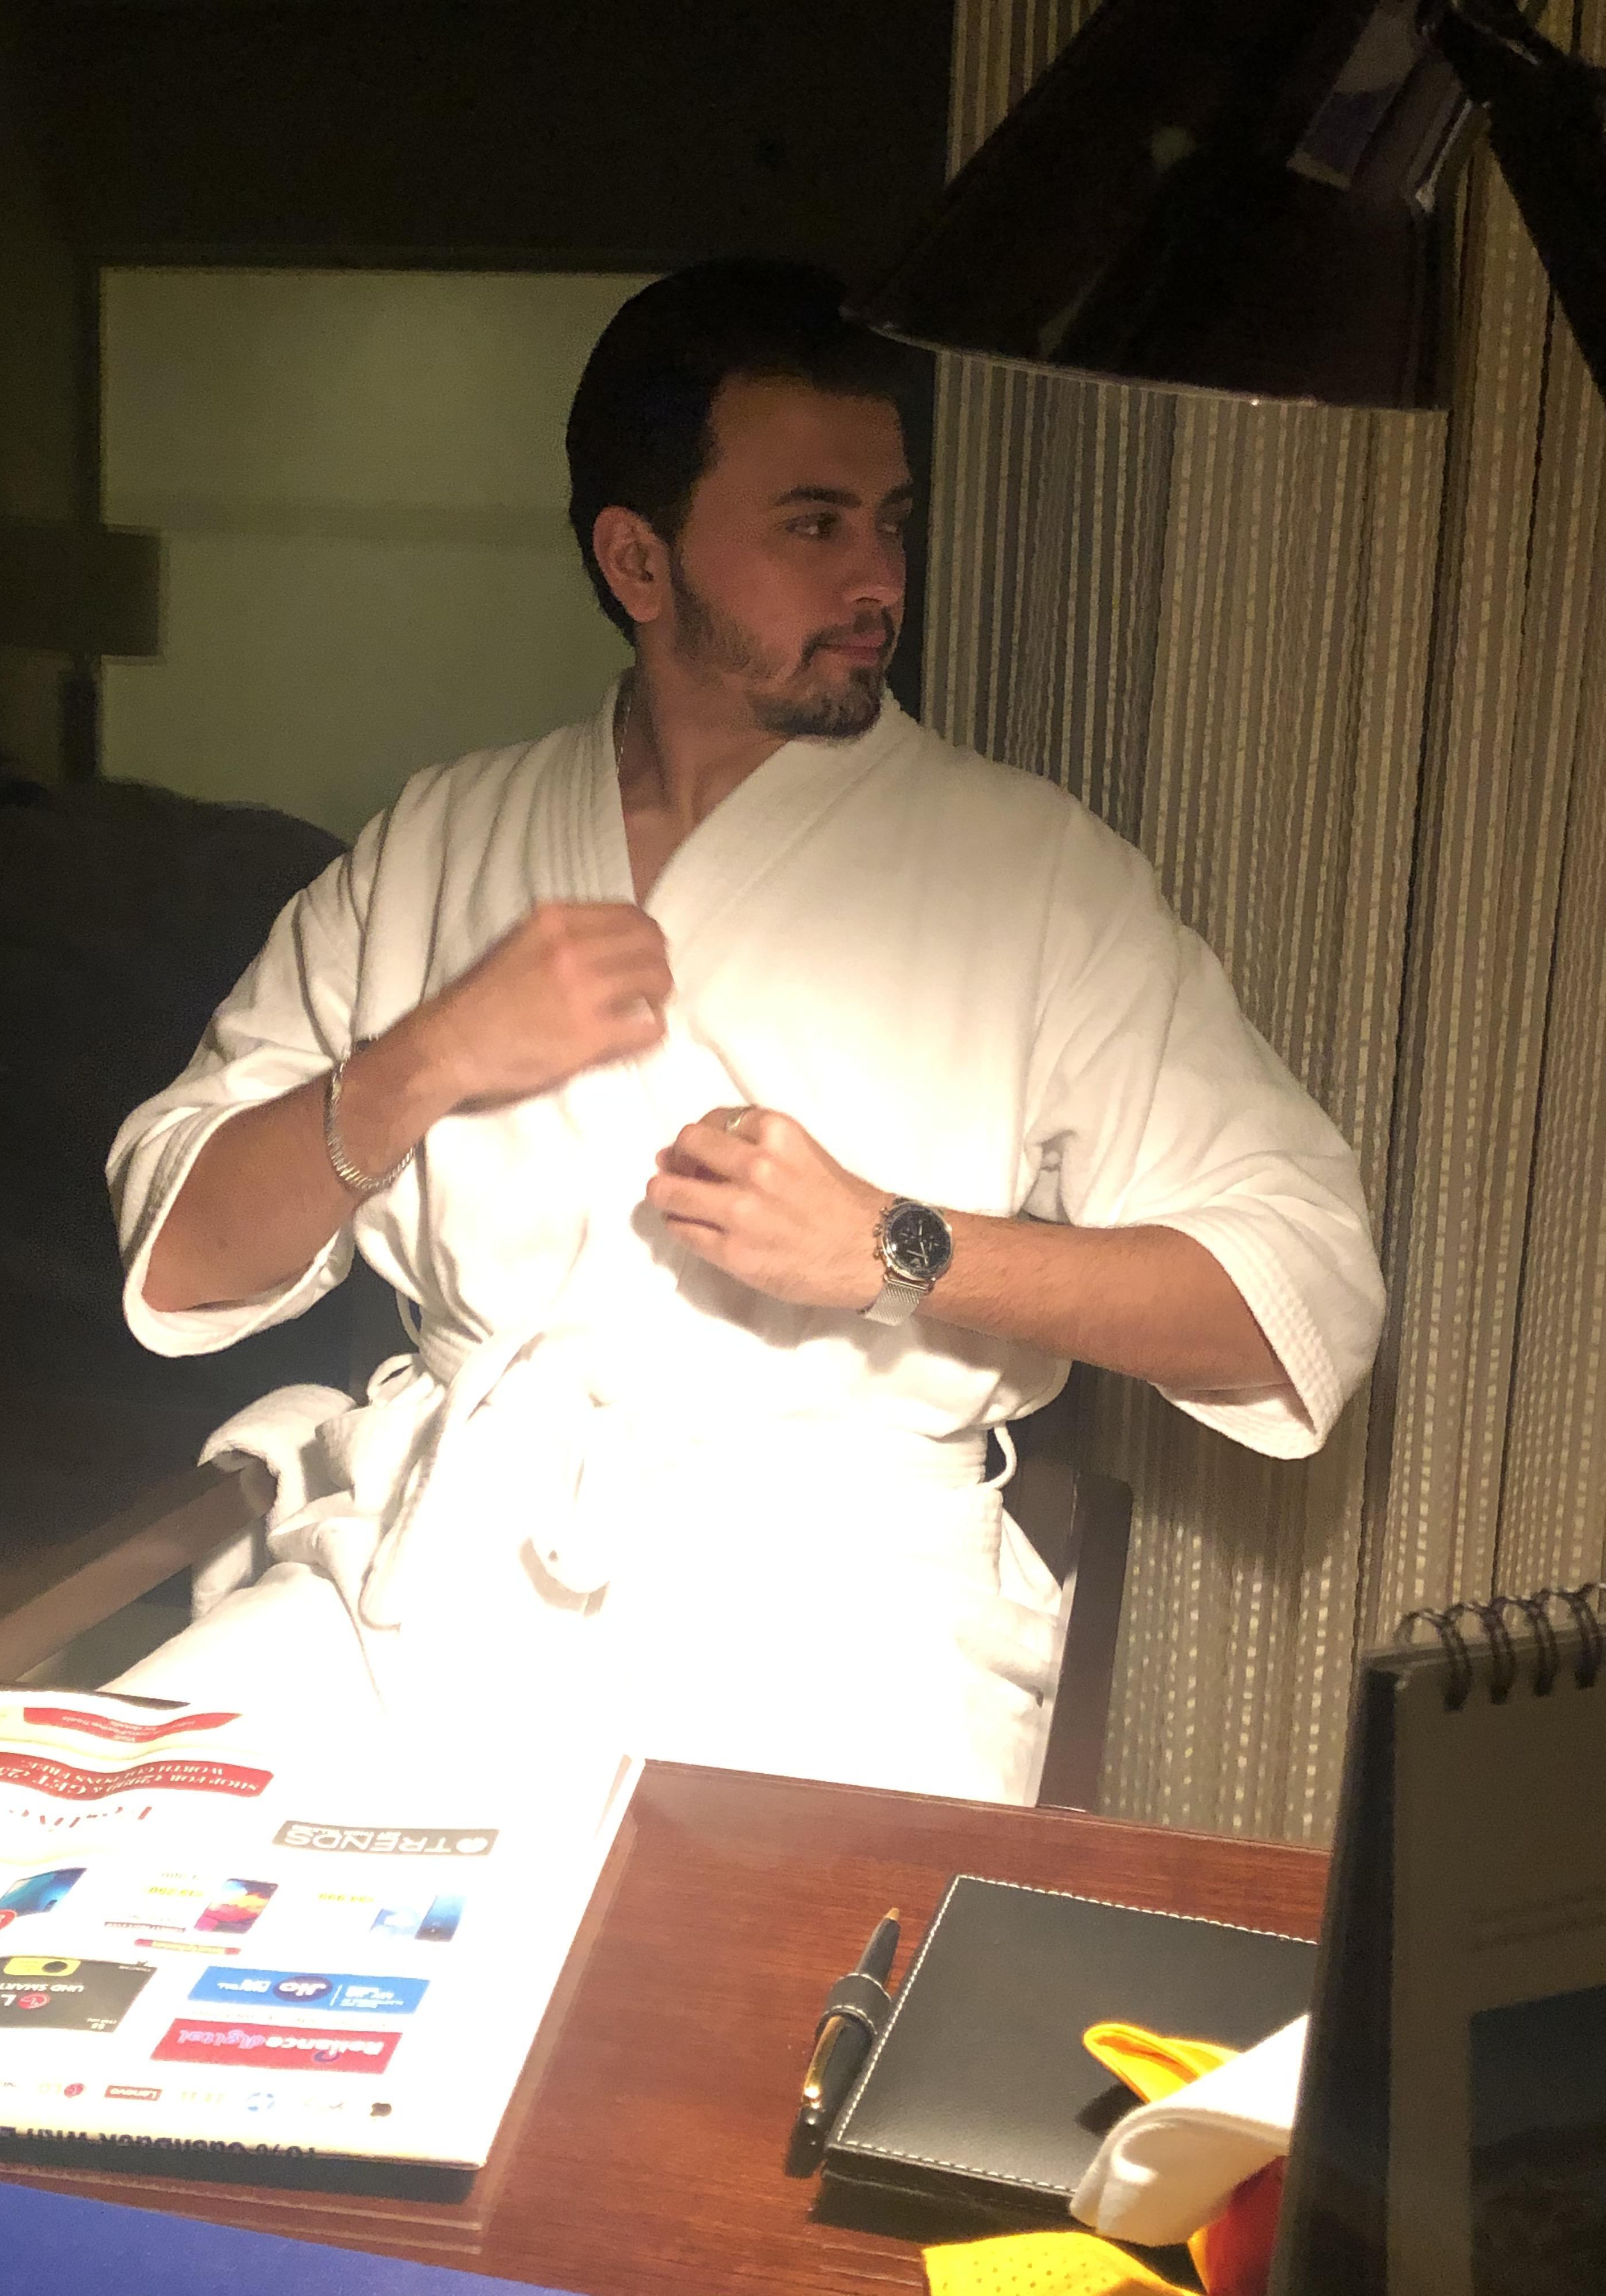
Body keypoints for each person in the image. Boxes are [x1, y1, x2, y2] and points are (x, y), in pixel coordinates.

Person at [106, 261, 1384, 1804]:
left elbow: (1295, 1294)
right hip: (425, 1577)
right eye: (813, 526)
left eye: (892, 522)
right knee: (31, 1874)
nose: (879, 583)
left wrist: (898, 1249)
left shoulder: (1035, 875)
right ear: (639, 559)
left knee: (750, 1959)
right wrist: (426, 1059)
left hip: (832, 1615)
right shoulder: (442, 840)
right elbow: (182, 1258)